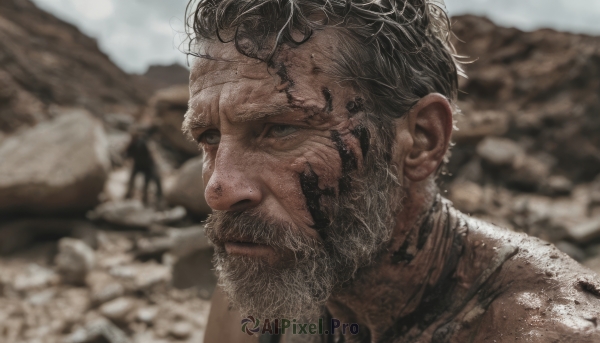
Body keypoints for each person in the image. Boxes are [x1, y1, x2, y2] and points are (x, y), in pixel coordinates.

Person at [182, 0, 600, 342]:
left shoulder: (546, 330)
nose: (218, 189)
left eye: (280, 129)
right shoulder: (261, 290)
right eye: (210, 137)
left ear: (421, 139)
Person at [124, 128, 162, 205]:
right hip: (139, 165)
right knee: (134, 180)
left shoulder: (141, 143)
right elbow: (127, 154)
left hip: (148, 166)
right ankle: (129, 196)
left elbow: (128, 154)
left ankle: (149, 199)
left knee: (149, 182)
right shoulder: (133, 144)